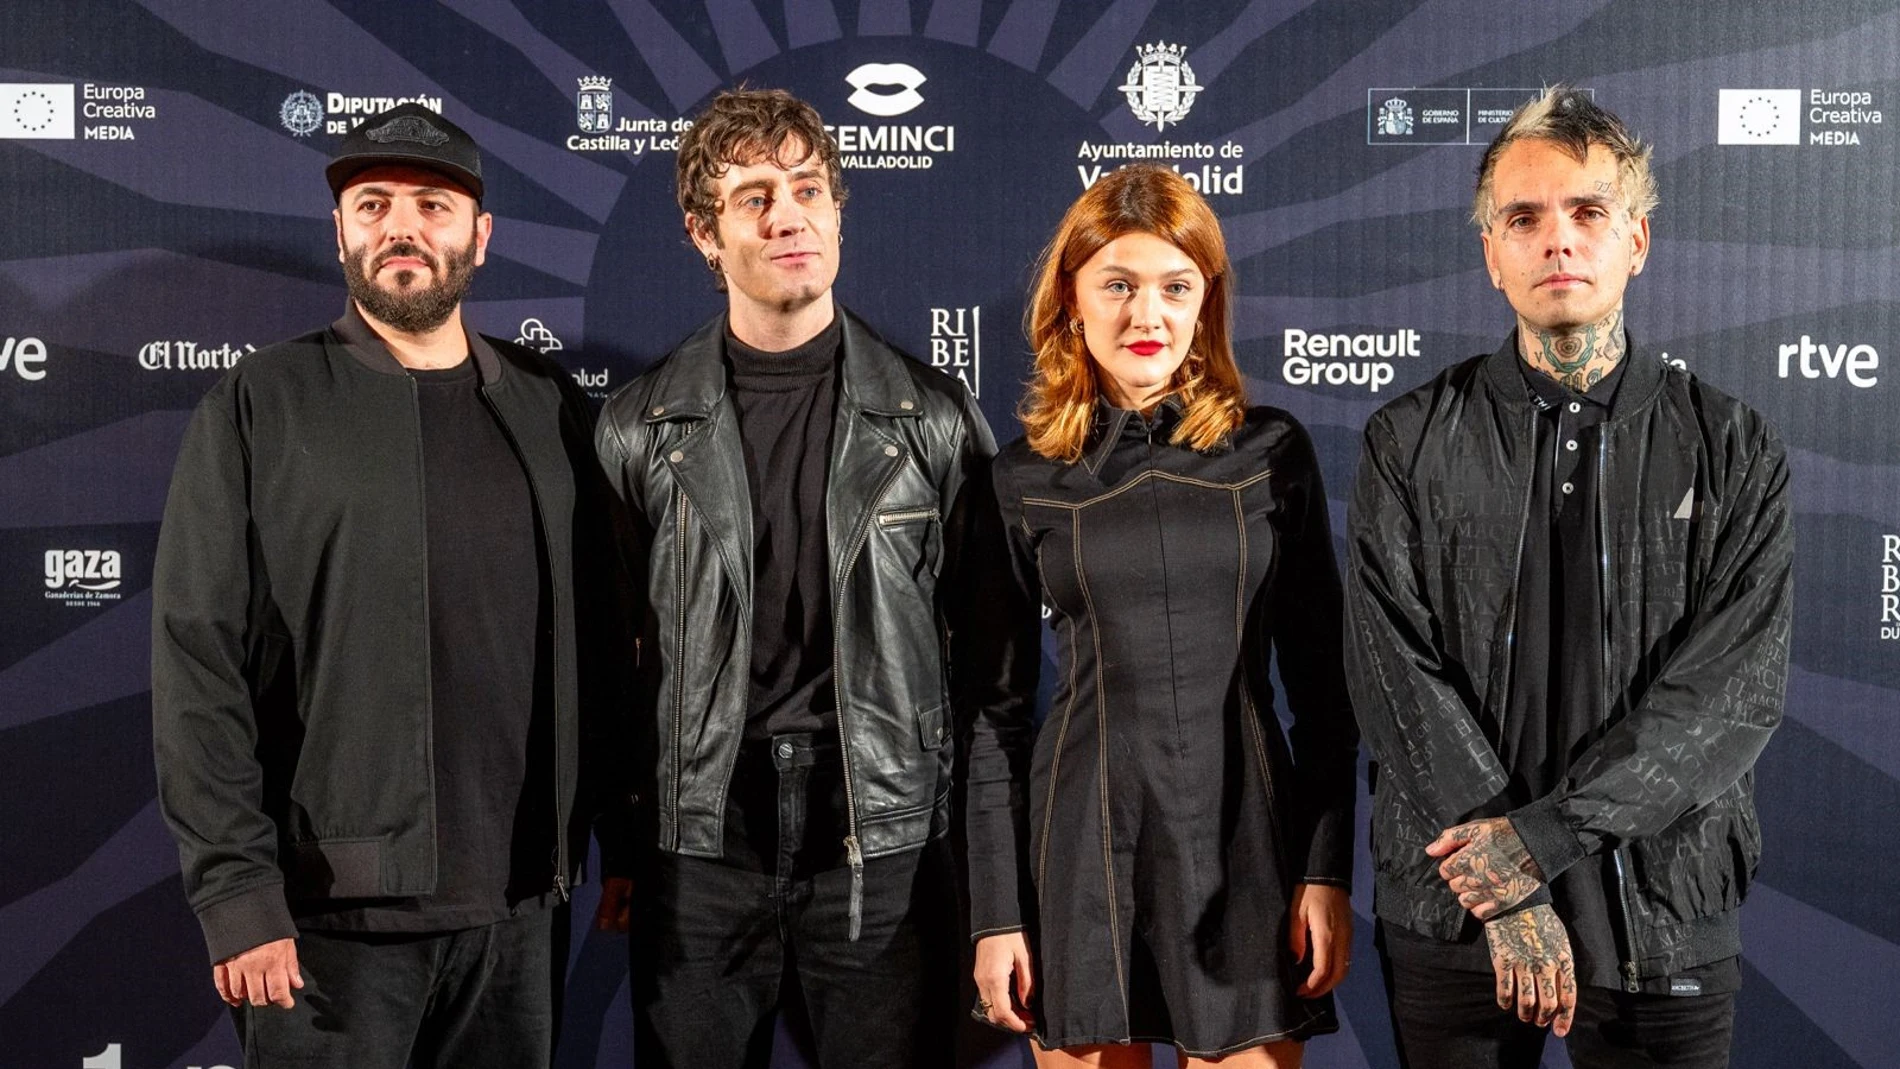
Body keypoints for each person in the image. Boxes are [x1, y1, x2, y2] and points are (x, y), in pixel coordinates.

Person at [151, 103, 622, 1069]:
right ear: (342, 230)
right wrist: (238, 894)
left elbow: (604, 643)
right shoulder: (259, 405)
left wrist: (619, 840)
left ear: (480, 238)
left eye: (432, 205)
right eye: (374, 204)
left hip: (521, 906)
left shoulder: (549, 405)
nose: (402, 227)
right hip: (329, 921)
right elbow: (199, 666)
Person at [1344, 87, 1793, 1068]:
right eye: (1524, 217)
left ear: (1635, 239)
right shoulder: (1406, 441)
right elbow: (1393, 677)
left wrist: (1539, 841)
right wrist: (1502, 883)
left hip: (1660, 904)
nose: (1558, 240)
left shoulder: (1731, 447)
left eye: (1587, 212)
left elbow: (1725, 699)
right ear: (1490, 252)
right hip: (1455, 904)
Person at [591, 87, 994, 1069]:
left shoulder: (933, 421)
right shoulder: (637, 428)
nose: (788, 215)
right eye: (754, 196)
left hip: (883, 844)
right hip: (701, 849)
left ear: (838, 210)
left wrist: (983, 867)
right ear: (703, 234)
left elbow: (992, 668)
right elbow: (605, 662)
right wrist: (630, 836)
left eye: (808, 188)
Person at [964, 164, 1360, 1068]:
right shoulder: (1022, 475)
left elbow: (1328, 700)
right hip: (1081, 849)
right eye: (1119, 285)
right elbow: (991, 716)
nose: (1148, 316)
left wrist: (1326, 866)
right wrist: (996, 912)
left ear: (1205, 302)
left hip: (1246, 844)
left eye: (1176, 287)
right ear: (1071, 299)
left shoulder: (1272, 452)